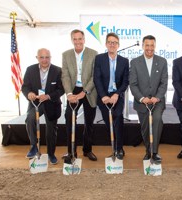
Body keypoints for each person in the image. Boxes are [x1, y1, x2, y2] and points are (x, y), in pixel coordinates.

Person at [129, 35, 168, 163]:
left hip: (157, 101)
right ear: (142, 46)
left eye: (152, 45)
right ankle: (148, 150)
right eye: (147, 45)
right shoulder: (134, 62)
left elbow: (164, 83)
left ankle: (154, 152)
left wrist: (157, 97)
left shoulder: (162, 61)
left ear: (155, 46)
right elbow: (133, 84)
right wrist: (141, 98)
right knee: (145, 127)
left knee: (156, 120)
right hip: (142, 102)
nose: (149, 48)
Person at [22, 48, 64, 165]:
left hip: (52, 103)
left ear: (50, 58)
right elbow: (25, 87)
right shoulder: (30, 70)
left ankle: (51, 154)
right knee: (30, 119)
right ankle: (33, 146)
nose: (44, 60)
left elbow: (61, 89)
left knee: (51, 130)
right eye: (42, 57)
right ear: (37, 58)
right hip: (36, 102)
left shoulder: (58, 71)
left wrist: (49, 96)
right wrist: (29, 93)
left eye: (47, 57)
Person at [61, 29, 98, 161]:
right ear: (72, 40)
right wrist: (69, 94)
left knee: (89, 122)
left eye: (79, 39)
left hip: (89, 91)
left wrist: (85, 91)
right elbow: (64, 75)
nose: (77, 41)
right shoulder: (66, 55)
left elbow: (95, 76)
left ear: (84, 39)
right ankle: (71, 152)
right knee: (69, 119)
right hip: (73, 90)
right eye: (74, 39)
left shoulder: (93, 54)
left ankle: (87, 150)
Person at [94, 32, 129, 160]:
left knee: (118, 118)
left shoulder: (124, 61)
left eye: (114, 42)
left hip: (117, 95)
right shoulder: (99, 59)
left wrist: (116, 94)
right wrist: (103, 96)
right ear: (106, 44)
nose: (112, 44)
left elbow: (125, 81)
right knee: (108, 122)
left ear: (118, 45)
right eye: (110, 42)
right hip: (103, 96)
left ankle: (119, 149)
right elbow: (96, 78)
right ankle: (114, 147)